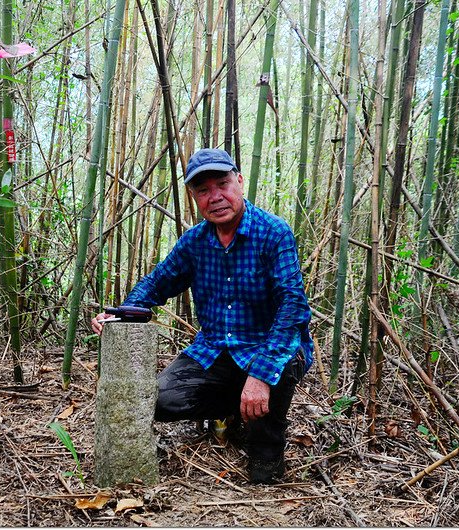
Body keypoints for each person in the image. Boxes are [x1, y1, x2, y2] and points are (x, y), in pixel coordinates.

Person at [91, 148, 313, 484]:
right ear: (195, 197)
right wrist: (122, 315)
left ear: (239, 181)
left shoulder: (273, 233)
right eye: (203, 191)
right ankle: (235, 408)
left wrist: (261, 376)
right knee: (160, 401)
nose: (216, 197)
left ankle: (261, 429)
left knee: (264, 474)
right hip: (215, 351)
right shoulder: (195, 241)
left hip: (269, 349)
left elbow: (293, 307)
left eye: (222, 184)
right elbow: (155, 284)